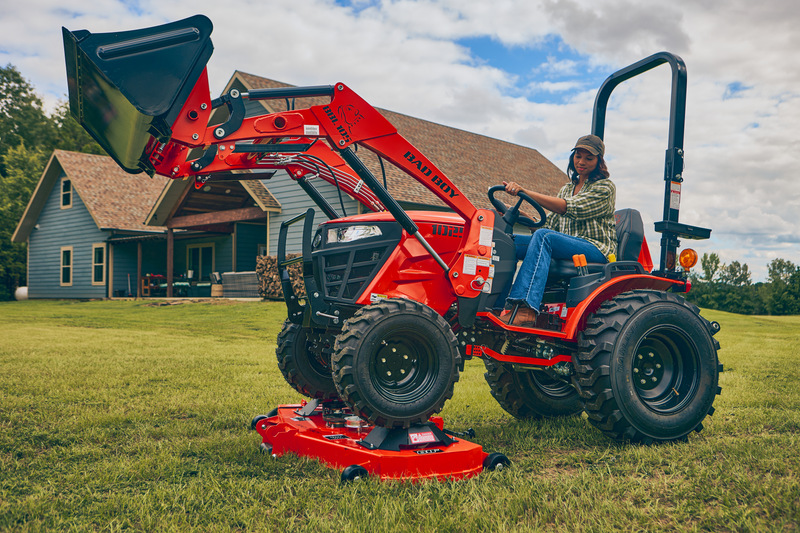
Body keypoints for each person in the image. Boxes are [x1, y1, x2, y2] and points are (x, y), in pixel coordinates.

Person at [498, 135, 617, 327]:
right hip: (565, 244)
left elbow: (567, 208)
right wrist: (518, 213)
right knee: (507, 242)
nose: (582, 162)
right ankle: (496, 306)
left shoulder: (605, 187)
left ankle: (525, 308)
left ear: (599, 162)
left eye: (589, 158)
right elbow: (547, 226)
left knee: (545, 238)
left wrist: (524, 191)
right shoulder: (566, 189)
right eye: (578, 156)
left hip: (596, 249)